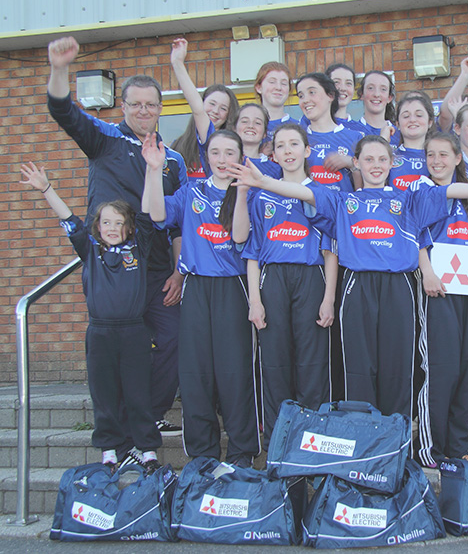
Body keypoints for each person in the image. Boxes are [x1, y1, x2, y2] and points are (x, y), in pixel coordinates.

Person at [234, 135, 468, 419]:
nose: (376, 165)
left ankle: (394, 443)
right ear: (356, 163)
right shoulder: (343, 202)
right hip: (357, 287)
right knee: (360, 368)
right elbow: (306, 193)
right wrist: (264, 182)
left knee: (397, 367)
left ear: (391, 164)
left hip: (398, 287)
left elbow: (450, 191)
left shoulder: (408, 199)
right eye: (368, 159)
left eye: (382, 159)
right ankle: (363, 444)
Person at [47, 36, 185, 437]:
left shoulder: (172, 159)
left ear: (160, 109)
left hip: (158, 268)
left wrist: (178, 271)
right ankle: (117, 421)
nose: (144, 110)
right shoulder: (104, 138)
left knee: (173, 338)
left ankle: (151, 413)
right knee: (117, 350)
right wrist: (60, 70)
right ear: (123, 106)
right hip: (112, 270)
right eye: (135, 104)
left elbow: (174, 223)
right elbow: (62, 110)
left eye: (151, 104)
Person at [20, 162, 162, 473]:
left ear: (128, 227)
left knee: (138, 393)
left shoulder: (139, 248)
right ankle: (109, 450)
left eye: (119, 223)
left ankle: (147, 449)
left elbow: (149, 214)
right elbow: (68, 219)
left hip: (134, 332)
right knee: (105, 393)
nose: (112, 228)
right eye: (106, 222)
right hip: (100, 334)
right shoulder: (90, 251)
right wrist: (46, 189)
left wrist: (152, 170)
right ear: (98, 226)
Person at [142, 129, 260, 467]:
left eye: (230, 153)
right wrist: (153, 169)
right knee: (195, 374)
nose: (223, 160)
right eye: (217, 153)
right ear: (207, 156)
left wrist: (242, 191)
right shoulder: (191, 190)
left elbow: (243, 237)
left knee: (235, 373)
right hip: (196, 288)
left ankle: (241, 454)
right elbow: (156, 214)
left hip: (233, 287)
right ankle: (202, 454)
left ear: (241, 157)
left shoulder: (250, 193)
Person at [233, 123, 338, 446]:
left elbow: (331, 251)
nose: (288, 151)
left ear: (307, 151)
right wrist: (255, 300)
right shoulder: (261, 195)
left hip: (311, 278)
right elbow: (251, 251)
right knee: (275, 360)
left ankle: (313, 438)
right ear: (273, 153)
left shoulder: (323, 193)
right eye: (281, 145)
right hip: (273, 279)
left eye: (295, 144)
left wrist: (328, 298)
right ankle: (278, 440)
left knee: (312, 360)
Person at [414, 132, 468, 467]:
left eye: (444, 155)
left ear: (458, 158)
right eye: (431, 155)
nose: (437, 161)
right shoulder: (422, 189)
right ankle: (432, 447)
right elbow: (416, 236)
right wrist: (426, 271)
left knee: (466, 367)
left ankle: (459, 445)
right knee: (441, 368)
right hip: (437, 289)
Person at [170, 38, 240, 181]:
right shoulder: (178, 145)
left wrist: (178, 64)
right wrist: (177, 62)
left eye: (223, 108)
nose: (215, 111)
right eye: (212, 104)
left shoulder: (229, 146)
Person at [297, 72, 363, 191]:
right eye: (301, 96)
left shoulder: (355, 138)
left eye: (312, 92)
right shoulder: (297, 139)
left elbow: (366, 191)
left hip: (343, 208)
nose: (305, 100)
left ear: (331, 95)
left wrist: (351, 163)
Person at [388, 93, 435, 190]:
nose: (412, 120)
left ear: (430, 122)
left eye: (419, 115)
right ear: (398, 124)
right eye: (406, 116)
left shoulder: (439, 157)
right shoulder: (388, 157)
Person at [254, 61, 298, 150]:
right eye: (272, 82)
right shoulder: (247, 126)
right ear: (259, 87)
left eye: (284, 83)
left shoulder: (299, 127)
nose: (278, 87)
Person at [357, 70, 400, 146]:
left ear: (389, 98)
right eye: (370, 88)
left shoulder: (399, 134)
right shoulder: (350, 130)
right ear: (361, 94)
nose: (376, 94)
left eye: (383, 89)